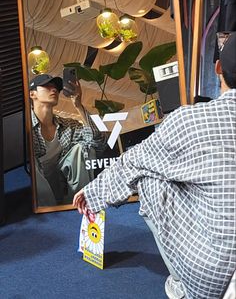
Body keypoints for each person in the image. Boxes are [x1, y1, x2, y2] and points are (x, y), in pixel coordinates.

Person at [73, 32, 236, 299]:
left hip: (214, 282)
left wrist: (92, 194)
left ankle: (183, 285)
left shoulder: (190, 121)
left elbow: (135, 161)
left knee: (150, 177)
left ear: (218, 68)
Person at [29, 73, 106, 206]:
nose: (54, 90)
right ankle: (47, 212)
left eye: (56, 87)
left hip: (63, 185)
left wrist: (78, 105)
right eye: (47, 86)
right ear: (32, 94)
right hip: (37, 194)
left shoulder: (68, 125)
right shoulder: (25, 128)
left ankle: (80, 204)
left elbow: (97, 142)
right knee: (29, 160)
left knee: (81, 149)